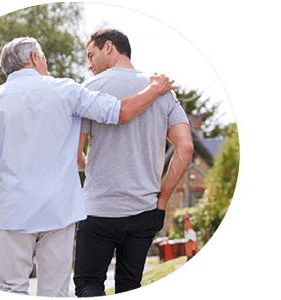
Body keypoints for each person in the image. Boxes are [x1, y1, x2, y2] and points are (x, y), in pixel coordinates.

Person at [0, 37, 177, 297]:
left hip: (14, 211)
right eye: (43, 58)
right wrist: (155, 89)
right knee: (55, 291)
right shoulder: (66, 90)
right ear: (35, 58)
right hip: (60, 210)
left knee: (11, 288)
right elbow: (120, 113)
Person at [74, 29, 194, 297]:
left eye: (90, 55)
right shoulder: (161, 90)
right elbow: (185, 148)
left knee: (88, 284)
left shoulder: (89, 90)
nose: (89, 64)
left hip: (99, 210)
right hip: (143, 212)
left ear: (109, 48)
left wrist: (86, 164)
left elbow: (74, 153)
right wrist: (161, 202)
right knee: (130, 286)